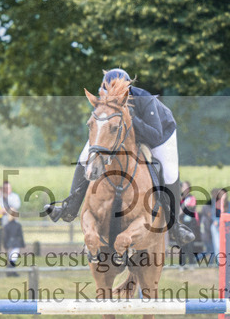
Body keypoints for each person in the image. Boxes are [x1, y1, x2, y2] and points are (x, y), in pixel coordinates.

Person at [46, 68, 195, 246]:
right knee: (85, 156)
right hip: (117, 132)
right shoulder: (104, 100)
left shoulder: (145, 100)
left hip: (160, 133)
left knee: (170, 173)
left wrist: (131, 119)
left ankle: (175, 226)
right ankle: (70, 207)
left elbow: (154, 136)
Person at [2, 193, 25, 273]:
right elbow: (20, 236)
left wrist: (5, 244)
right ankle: (12, 270)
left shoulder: (6, 226)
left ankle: (10, 270)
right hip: (16, 244)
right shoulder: (18, 225)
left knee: (10, 256)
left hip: (9, 244)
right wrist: (22, 244)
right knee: (14, 257)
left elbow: (5, 236)